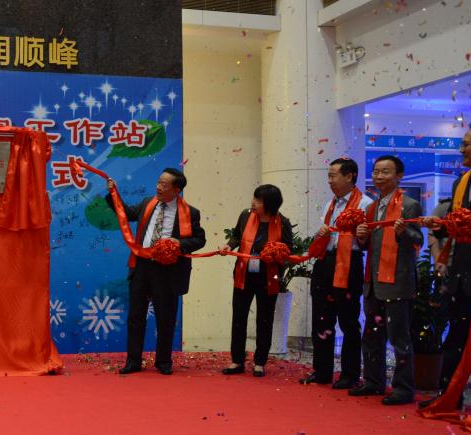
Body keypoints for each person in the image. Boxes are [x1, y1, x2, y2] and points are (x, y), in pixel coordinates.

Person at [419, 120, 471, 424]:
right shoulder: (462, 181)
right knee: (456, 337)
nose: (461, 149)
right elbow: (455, 224)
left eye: (466, 144)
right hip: (462, 273)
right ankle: (449, 394)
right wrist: (438, 225)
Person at [107, 168, 206, 375]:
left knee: (165, 318)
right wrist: (113, 194)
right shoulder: (147, 203)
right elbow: (127, 213)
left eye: (164, 184)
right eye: (158, 182)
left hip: (168, 270)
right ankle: (133, 361)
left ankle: (163, 361)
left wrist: (179, 244)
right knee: (136, 316)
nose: (158, 187)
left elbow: (199, 240)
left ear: (176, 190)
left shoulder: (191, 213)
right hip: (142, 266)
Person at [351, 155, 422, 405]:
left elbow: (417, 241)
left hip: (397, 281)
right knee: (371, 336)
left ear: (399, 176)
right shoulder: (371, 208)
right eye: (376, 171)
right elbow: (370, 245)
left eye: (385, 172)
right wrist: (361, 237)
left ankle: (403, 389)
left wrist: (403, 232)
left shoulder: (410, 205)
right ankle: (373, 382)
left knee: (399, 339)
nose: (379, 176)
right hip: (373, 281)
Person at [300, 157, 372, 389]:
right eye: (328, 176)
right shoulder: (330, 204)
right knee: (321, 318)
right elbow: (325, 237)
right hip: (325, 262)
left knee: (348, 321)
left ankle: (350, 374)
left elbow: (368, 242)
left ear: (349, 176)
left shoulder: (365, 204)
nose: (329, 181)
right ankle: (322, 371)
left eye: (333, 176)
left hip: (349, 263)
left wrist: (362, 237)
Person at [220, 184, 293, 378]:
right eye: (254, 198)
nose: (253, 203)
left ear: (270, 205)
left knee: (264, 320)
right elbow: (236, 236)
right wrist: (228, 246)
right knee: (239, 318)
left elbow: (289, 250)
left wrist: (277, 255)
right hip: (244, 274)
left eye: (258, 201)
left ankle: (260, 362)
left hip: (268, 278)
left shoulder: (283, 223)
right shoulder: (245, 215)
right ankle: (237, 361)